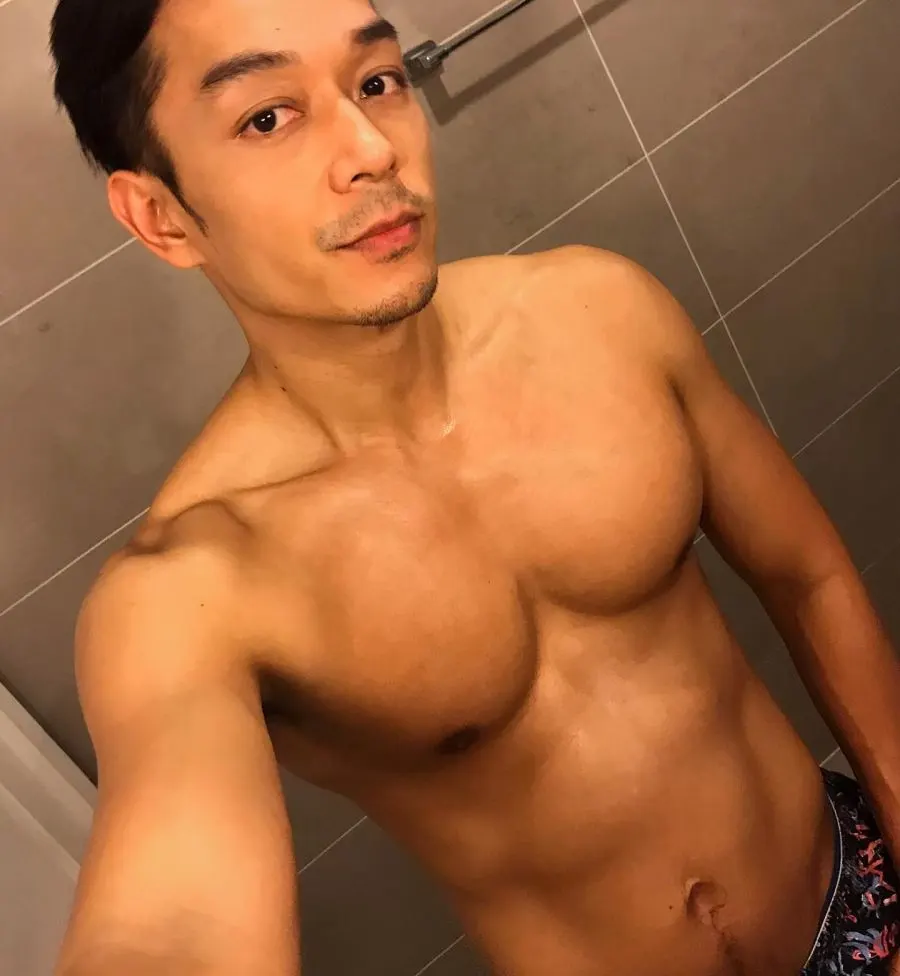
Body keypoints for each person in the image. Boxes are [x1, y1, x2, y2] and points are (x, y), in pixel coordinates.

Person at [48, 0, 900, 973]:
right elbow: (172, 922)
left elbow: (808, 576)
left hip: (857, 892)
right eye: (268, 117)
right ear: (160, 215)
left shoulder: (602, 313)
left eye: (376, 82)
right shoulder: (189, 590)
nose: (372, 149)